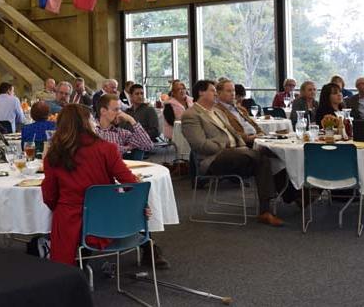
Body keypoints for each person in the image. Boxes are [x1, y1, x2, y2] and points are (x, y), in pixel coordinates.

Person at [42, 104, 166, 268]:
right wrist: (140, 206)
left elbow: (49, 196)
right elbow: (131, 183)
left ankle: (70, 271)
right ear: (88, 122)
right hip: (107, 221)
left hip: (71, 224)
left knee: (60, 215)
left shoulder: (53, 155)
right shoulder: (106, 149)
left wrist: (61, 208)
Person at [182, 80, 283, 226]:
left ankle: (274, 204)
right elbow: (200, 145)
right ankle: (270, 207)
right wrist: (228, 146)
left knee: (269, 154)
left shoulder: (217, 111)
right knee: (260, 156)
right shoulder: (191, 115)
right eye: (212, 90)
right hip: (213, 159)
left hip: (235, 153)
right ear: (201, 92)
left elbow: (234, 134)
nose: (215, 93)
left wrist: (242, 146)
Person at [214, 79, 264, 147]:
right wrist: (248, 138)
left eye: (233, 90)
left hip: (257, 139)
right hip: (243, 143)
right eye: (229, 91)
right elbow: (228, 132)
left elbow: (255, 125)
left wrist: (261, 133)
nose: (233, 94)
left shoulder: (241, 109)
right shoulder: (217, 110)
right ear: (219, 93)